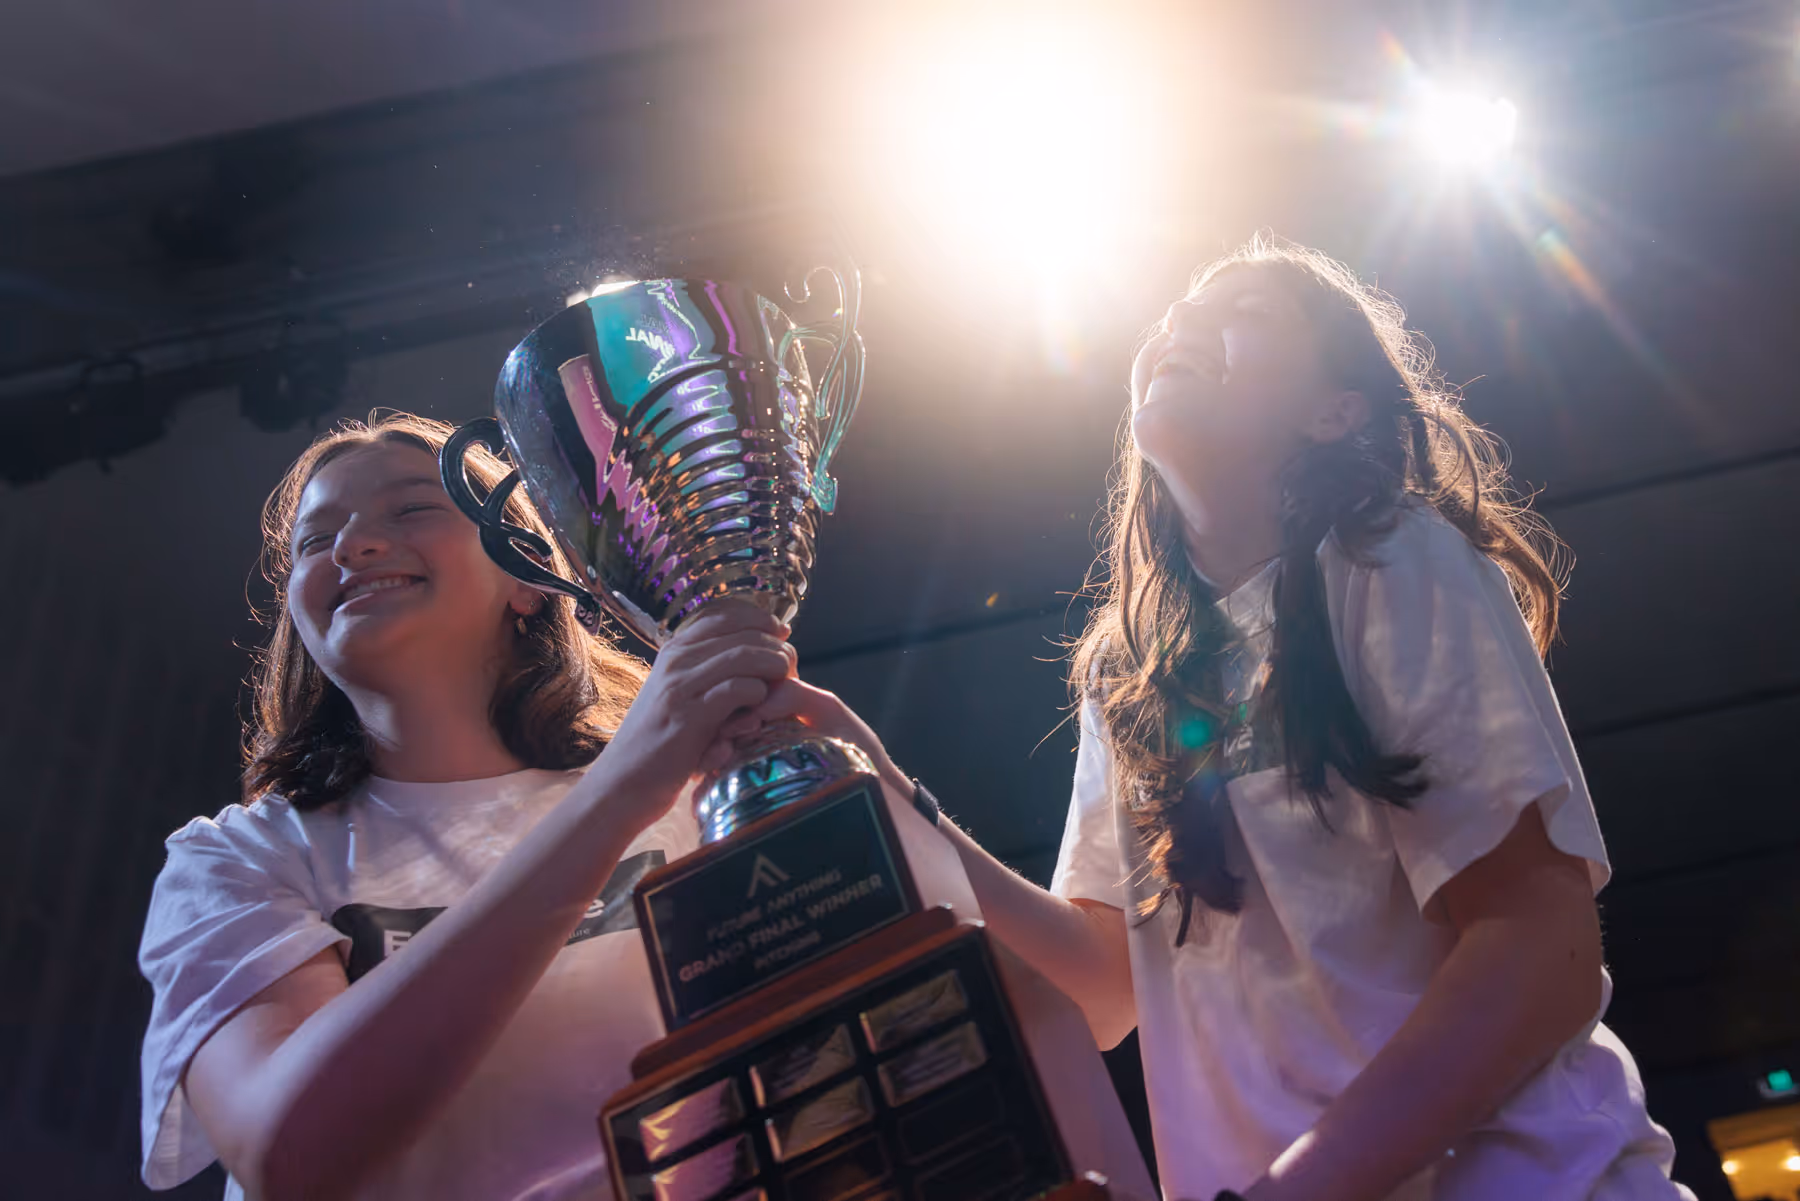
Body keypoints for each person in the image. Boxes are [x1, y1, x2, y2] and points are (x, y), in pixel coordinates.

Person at [741, 238, 1696, 1201]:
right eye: (1171, 316)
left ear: (1336, 411)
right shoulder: (1132, 667)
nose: (1179, 324)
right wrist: (889, 795)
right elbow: (1102, 985)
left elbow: (1541, 952)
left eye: (1243, 309)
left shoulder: (1390, 558)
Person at [137, 412, 797, 1200]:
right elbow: (289, 1155)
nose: (351, 545)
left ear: (527, 573)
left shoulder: (693, 796)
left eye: (412, 507)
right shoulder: (237, 859)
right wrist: (620, 790)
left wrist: (865, 764)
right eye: (315, 541)